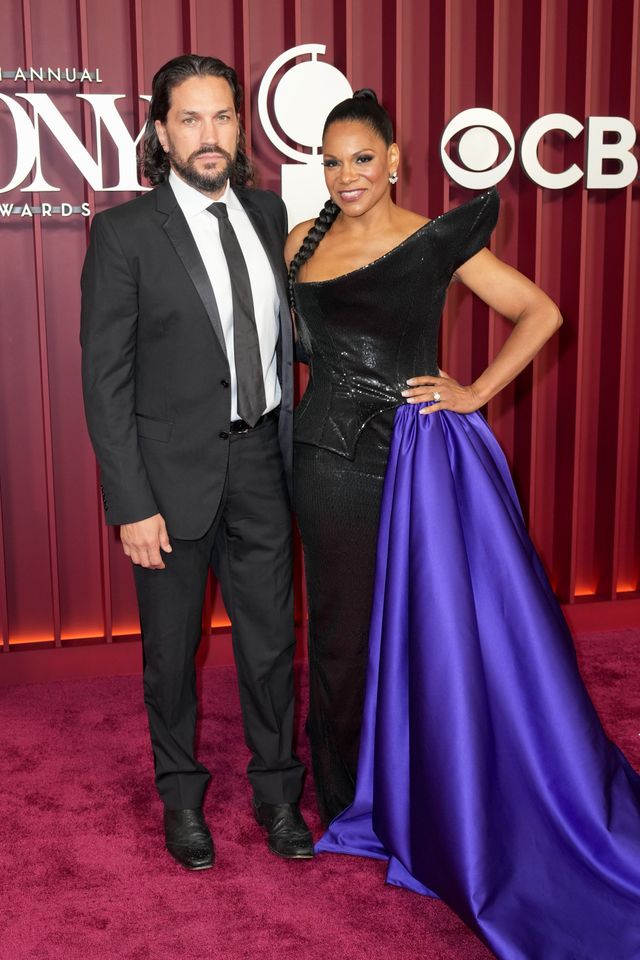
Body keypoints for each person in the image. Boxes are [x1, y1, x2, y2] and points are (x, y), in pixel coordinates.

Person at [286, 89, 640, 958]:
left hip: (413, 458)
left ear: (395, 159)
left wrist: (475, 391)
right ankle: (348, 797)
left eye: (362, 158)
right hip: (325, 464)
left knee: (429, 631)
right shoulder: (300, 242)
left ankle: (429, 794)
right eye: (331, 162)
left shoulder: (435, 239)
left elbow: (542, 312)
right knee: (338, 635)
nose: (346, 175)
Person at [80, 54, 313, 871]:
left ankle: (278, 793)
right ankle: (181, 799)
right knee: (170, 656)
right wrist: (129, 504)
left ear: (239, 127)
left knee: (272, 646)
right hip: (166, 482)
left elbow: (286, 336)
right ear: (161, 131)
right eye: (190, 119)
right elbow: (105, 381)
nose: (208, 135)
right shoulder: (123, 233)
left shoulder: (269, 211)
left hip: (263, 464)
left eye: (222, 117)